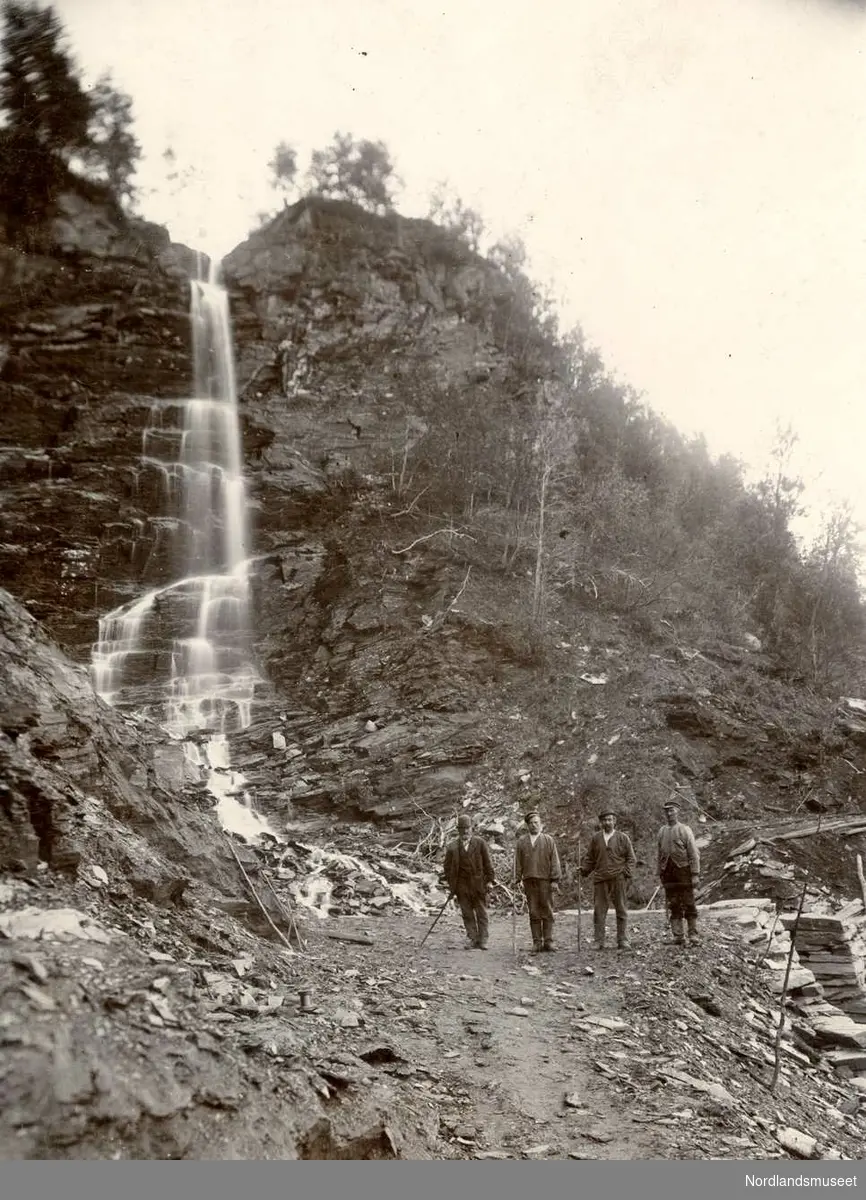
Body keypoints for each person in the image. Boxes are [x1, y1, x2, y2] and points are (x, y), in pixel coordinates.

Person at [580, 808, 636, 951]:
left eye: (610, 819)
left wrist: (625, 874)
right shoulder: (596, 839)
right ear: (601, 822)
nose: (607, 822)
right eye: (604, 820)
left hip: (618, 879)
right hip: (600, 879)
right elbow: (590, 858)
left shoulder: (623, 838)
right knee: (599, 911)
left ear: (614, 821)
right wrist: (584, 870)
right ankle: (599, 941)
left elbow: (631, 858)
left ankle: (622, 940)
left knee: (621, 909)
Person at [443, 814, 495, 949]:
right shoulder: (452, 847)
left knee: (481, 912)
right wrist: (452, 884)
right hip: (461, 886)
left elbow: (488, 863)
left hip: (478, 884)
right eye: (462, 828)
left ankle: (483, 940)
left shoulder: (480, 843)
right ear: (458, 830)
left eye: (467, 828)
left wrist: (490, 880)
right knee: (467, 913)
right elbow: (447, 868)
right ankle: (473, 938)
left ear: (472, 828)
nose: (465, 831)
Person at [514, 810, 562, 952]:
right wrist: (516, 878)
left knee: (547, 910)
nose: (534, 825)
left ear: (541, 824)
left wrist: (555, 880)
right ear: (527, 825)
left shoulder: (548, 840)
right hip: (529, 881)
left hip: (545, 881)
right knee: (534, 911)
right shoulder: (522, 842)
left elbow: (555, 861)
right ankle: (537, 942)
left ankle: (548, 941)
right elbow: (518, 862)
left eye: (536, 823)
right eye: (531, 823)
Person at [657, 798, 701, 946]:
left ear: (677, 811)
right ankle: (678, 936)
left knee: (689, 902)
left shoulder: (684, 829)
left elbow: (693, 853)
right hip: (668, 873)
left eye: (672, 810)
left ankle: (693, 935)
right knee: (673, 903)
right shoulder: (662, 831)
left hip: (683, 871)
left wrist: (695, 873)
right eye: (667, 811)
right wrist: (660, 873)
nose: (669, 813)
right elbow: (659, 854)